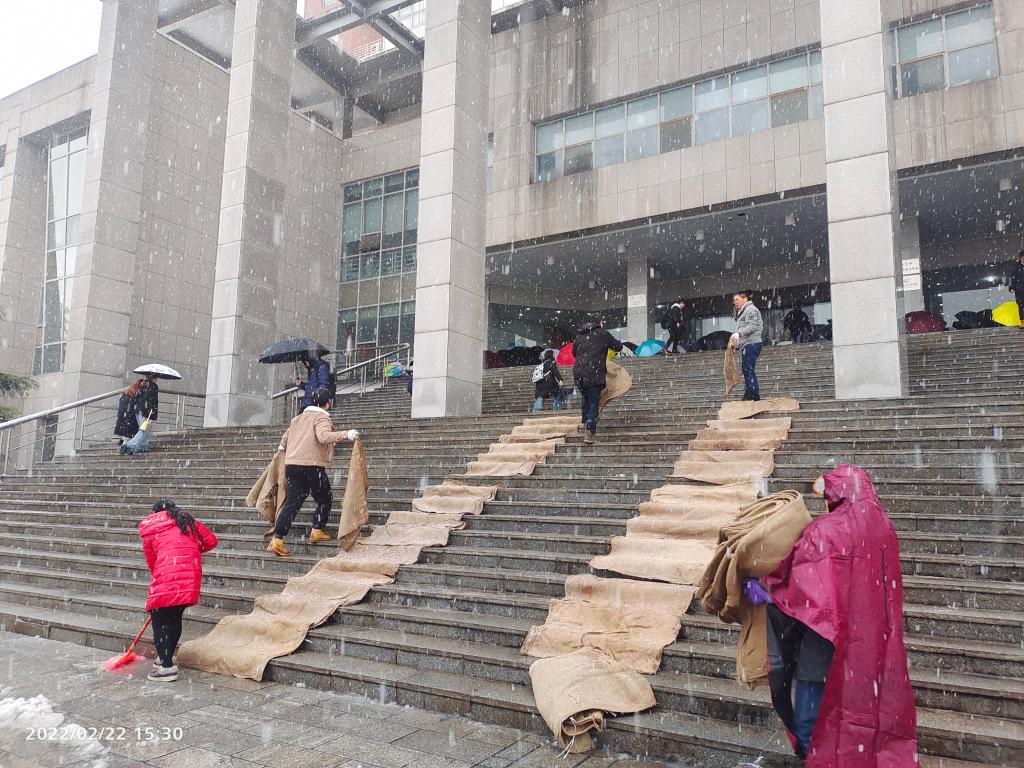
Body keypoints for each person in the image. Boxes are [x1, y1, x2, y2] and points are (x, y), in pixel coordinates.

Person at [758, 465, 918, 764]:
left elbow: (803, 587)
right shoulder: (885, 529)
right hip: (871, 643)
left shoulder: (824, 530)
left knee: (812, 722)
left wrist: (769, 586)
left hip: (824, 645)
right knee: (862, 714)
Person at [267, 387, 360, 557]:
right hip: (311, 466)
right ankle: (317, 529)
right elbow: (324, 436)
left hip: (292, 465)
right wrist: (346, 434)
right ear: (327, 404)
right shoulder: (321, 417)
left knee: (292, 503)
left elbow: (284, 440)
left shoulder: (298, 418)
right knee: (325, 497)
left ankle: (277, 539)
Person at [139, 498, 218, 682]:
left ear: (155, 512)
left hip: (166, 575)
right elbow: (211, 541)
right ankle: (165, 657)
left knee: (160, 622)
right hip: (189, 575)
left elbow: (152, 560)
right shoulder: (186, 521)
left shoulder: (151, 527)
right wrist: (189, 550)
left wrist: (165, 566)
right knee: (174, 618)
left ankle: (166, 667)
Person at [572, 315, 623, 445]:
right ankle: (589, 431)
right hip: (594, 371)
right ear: (599, 323)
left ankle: (586, 419)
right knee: (594, 401)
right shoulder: (602, 333)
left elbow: (574, 353)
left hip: (578, 372)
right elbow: (618, 347)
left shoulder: (579, 335)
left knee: (586, 397)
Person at [731, 291, 764, 402]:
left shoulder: (750, 309)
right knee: (746, 369)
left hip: (752, 343)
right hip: (747, 343)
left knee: (748, 369)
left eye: (737, 299)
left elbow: (752, 326)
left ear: (745, 298)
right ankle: (750, 392)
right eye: (734, 300)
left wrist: (738, 334)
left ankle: (753, 394)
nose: (735, 302)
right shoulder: (743, 311)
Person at [120, 375, 160, 455]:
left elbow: (139, 397)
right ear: (154, 378)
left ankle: (140, 447)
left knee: (145, 429)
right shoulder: (152, 385)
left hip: (139, 409)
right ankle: (129, 445)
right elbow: (152, 398)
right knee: (145, 430)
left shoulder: (142, 384)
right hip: (146, 410)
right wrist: (152, 409)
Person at [113, 380, 142, 446]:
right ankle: (124, 445)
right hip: (128, 418)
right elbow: (131, 409)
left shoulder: (126, 394)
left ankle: (123, 441)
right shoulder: (132, 396)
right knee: (129, 433)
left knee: (126, 432)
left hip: (124, 417)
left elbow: (124, 408)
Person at [1009, 249, 1024, 331]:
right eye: (1023, 258)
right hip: (1019, 290)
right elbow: (1011, 278)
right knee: (1021, 306)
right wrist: (1011, 287)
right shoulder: (1016, 267)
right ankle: (1023, 322)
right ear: (1020, 258)